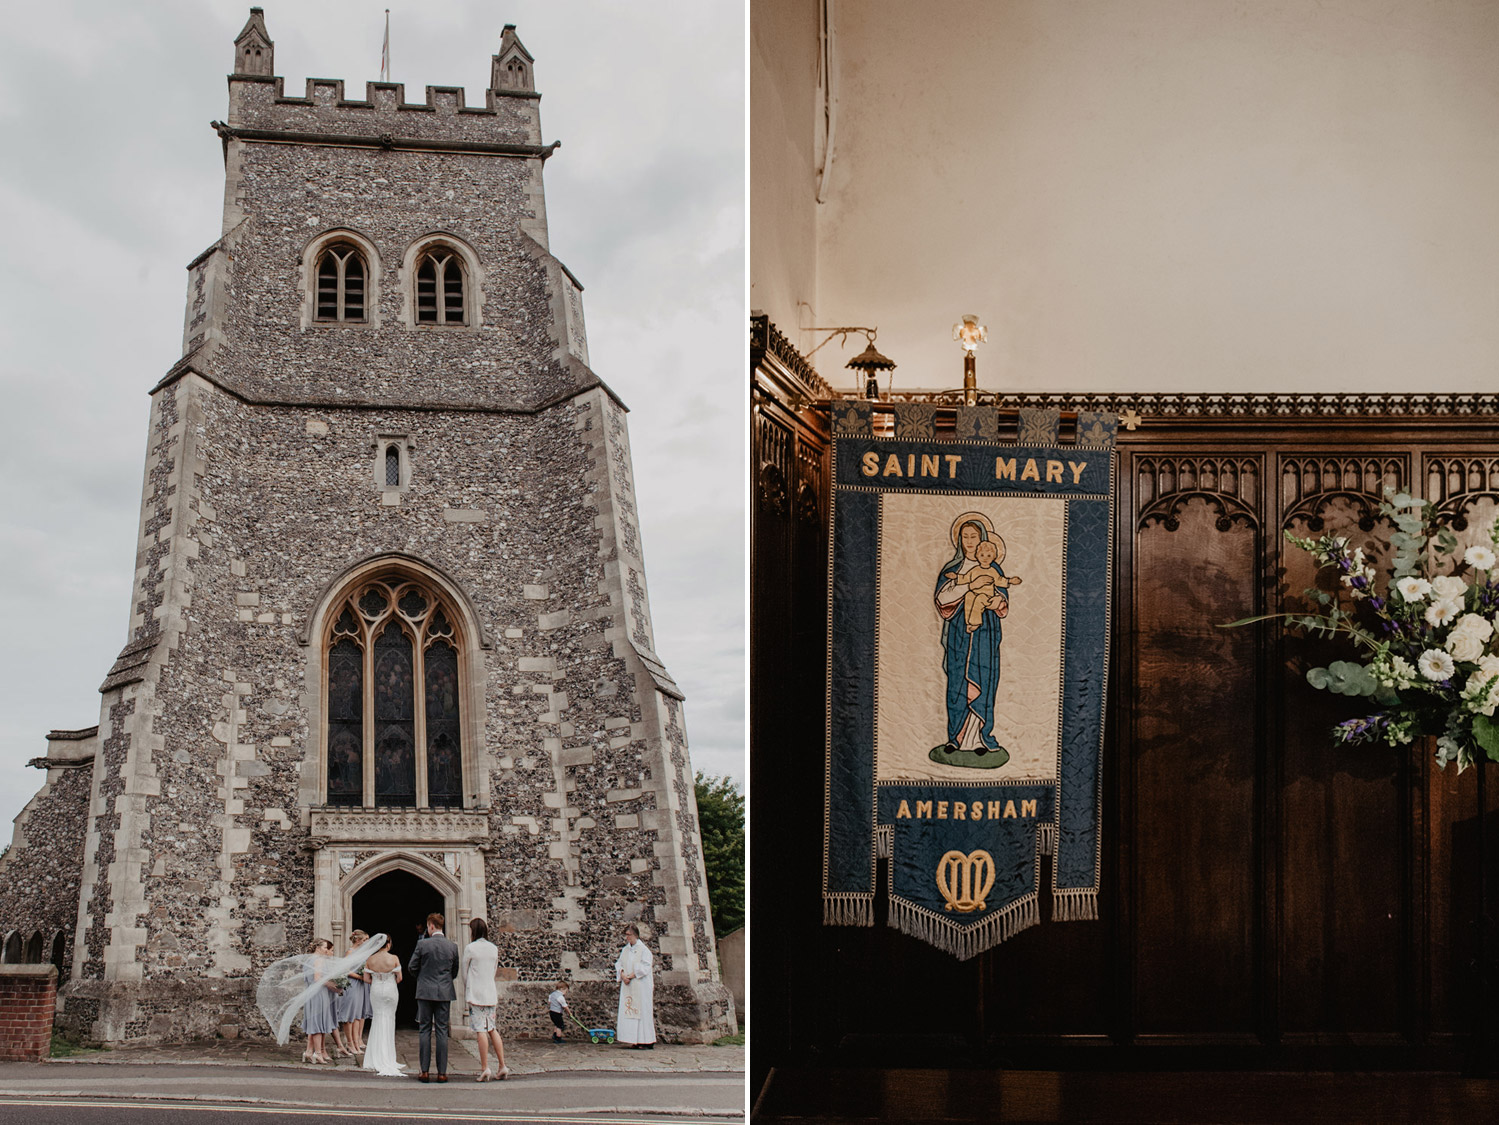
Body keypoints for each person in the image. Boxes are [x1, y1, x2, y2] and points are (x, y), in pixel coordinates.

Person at [932, 515, 1014, 763]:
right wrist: (968, 587)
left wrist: (995, 601)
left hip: (985, 636)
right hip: (959, 633)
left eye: (974, 537)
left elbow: (1003, 601)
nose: (969, 541)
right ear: (959, 539)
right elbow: (942, 600)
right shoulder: (952, 570)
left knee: (984, 680)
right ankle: (955, 738)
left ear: (983, 541)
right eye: (965, 537)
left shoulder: (995, 569)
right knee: (958, 682)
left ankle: (979, 739)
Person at [408, 911, 459, 1082]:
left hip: (425, 991)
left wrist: (423, 979)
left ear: (430, 926)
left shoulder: (423, 945)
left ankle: (424, 1071)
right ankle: (442, 1073)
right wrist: (443, 981)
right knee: (442, 1031)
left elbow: (412, 967)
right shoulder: (452, 946)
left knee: (424, 1030)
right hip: (444, 991)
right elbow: (455, 971)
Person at [461, 917, 509, 1081]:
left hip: (476, 994)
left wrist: (469, 988)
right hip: (490, 992)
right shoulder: (493, 948)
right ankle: (502, 1065)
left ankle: (484, 1067)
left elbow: (464, 973)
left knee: (480, 1030)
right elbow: (494, 970)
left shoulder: (470, 948)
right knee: (492, 1029)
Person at [361, 934, 406, 1077]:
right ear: (388, 944)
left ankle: (376, 1056)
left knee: (377, 1019)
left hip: (376, 991)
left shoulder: (370, 959)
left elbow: (366, 979)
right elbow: (399, 978)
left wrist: (377, 980)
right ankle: (388, 1057)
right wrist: (389, 980)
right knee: (389, 1020)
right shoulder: (394, 958)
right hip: (390, 990)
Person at [614, 923, 656, 1049]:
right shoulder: (625, 950)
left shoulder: (644, 950)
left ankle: (646, 1040)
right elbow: (619, 963)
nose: (627, 937)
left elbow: (645, 967)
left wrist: (630, 976)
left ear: (635, 935)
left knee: (642, 1013)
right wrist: (622, 975)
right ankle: (634, 1039)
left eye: (629, 935)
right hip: (628, 986)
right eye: (626, 935)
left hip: (640, 986)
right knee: (630, 1012)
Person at [301, 938, 340, 1064]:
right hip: (318, 993)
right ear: (318, 948)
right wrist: (333, 986)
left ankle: (308, 1052)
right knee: (318, 1023)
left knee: (316, 1022)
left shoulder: (308, 959)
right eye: (324, 947)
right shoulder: (318, 960)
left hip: (311, 993)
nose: (326, 950)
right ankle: (317, 1053)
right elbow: (318, 978)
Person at [337, 930, 370, 1058]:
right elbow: (345, 970)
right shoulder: (350, 952)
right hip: (352, 984)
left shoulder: (362, 953)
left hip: (360, 986)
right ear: (357, 940)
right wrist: (360, 977)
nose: (366, 942)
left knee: (357, 1015)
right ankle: (350, 1043)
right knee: (349, 1016)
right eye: (364, 940)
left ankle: (356, 1043)